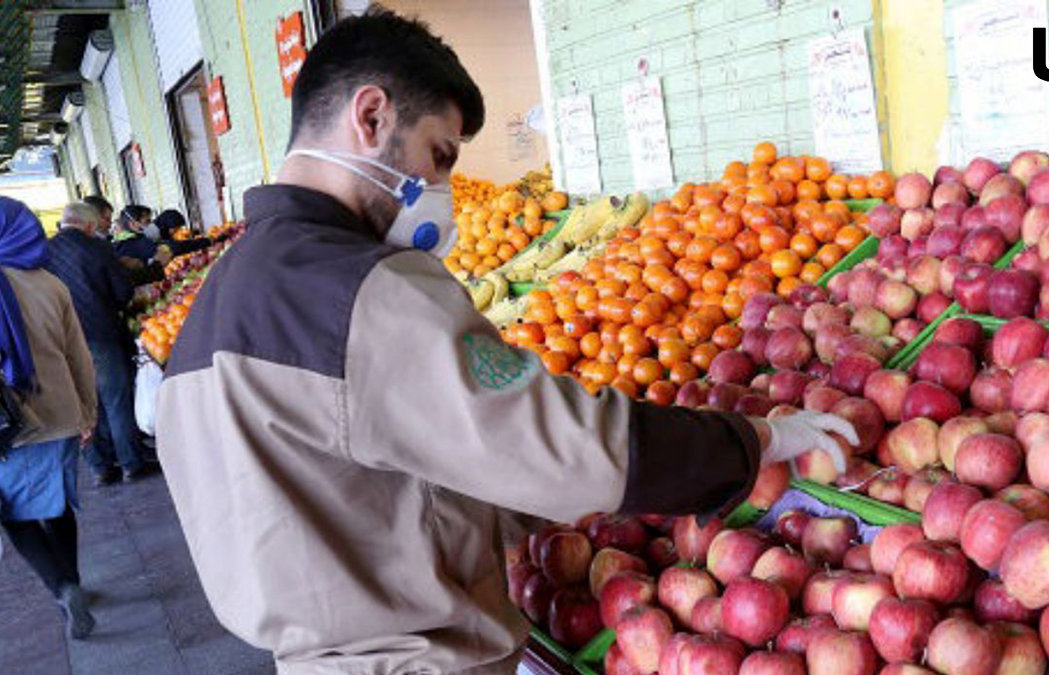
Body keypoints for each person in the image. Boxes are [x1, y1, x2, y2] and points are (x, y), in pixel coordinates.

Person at [155, 10, 854, 674]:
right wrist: (758, 440)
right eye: (438, 155)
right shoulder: (363, 292)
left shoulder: (214, 306)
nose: (441, 188)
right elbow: (570, 447)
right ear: (371, 117)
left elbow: (366, 478)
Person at [0, 196, 98, 639]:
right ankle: (74, 581)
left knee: (15, 517)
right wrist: (88, 412)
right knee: (58, 506)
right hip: (59, 414)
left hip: (7, 429)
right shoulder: (50, 284)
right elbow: (79, 356)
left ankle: (60, 587)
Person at [45, 202, 151, 485]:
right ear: (90, 225)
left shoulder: (43, 252)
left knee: (81, 402)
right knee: (115, 399)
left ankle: (100, 467)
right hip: (99, 333)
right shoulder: (97, 248)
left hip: (61, 341)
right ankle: (130, 462)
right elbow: (122, 291)